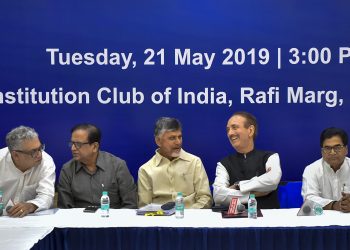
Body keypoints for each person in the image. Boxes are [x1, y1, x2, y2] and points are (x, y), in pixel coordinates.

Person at [138, 117, 212, 208]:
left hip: (191, 218)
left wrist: (189, 217)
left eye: (180, 137)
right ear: (158, 141)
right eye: (172, 138)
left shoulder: (194, 162)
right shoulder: (145, 170)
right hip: (159, 219)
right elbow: (145, 207)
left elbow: (205, 198)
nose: (178, 142)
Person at [57, 124, 137, 209]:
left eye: (78, 144)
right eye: (72, 143)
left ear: (95, 146)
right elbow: (65, 209)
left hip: (112, 220)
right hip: (80, 221)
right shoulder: (67, 170)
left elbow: (130, 206)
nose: (73, 148)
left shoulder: (117, 166)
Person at [213, 111, 282, 209]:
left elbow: (272, 181)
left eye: (234, 127)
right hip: (235, 220)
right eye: (228, 129)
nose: (230, 133)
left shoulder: (270, 157)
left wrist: (238, 186)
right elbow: (218, 196)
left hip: (268, 219)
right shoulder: (223, 164)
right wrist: (251, 195)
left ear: (250, 131)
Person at [0, 126, 56, 217]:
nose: (39, 154)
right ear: (16, 155)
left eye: (40, 148)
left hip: (30, 219)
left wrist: (31, 205)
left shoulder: (46, 162)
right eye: (33, 152)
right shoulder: (1, 160)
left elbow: (47, 196)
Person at [302, 127, 350, 212]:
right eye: (327, 148)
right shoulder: (312, 169)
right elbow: (309, 200)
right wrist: (335, 205)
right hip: (322, 219)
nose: (332, 152)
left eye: (337, 147)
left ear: (346, 149)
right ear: (322, 152)